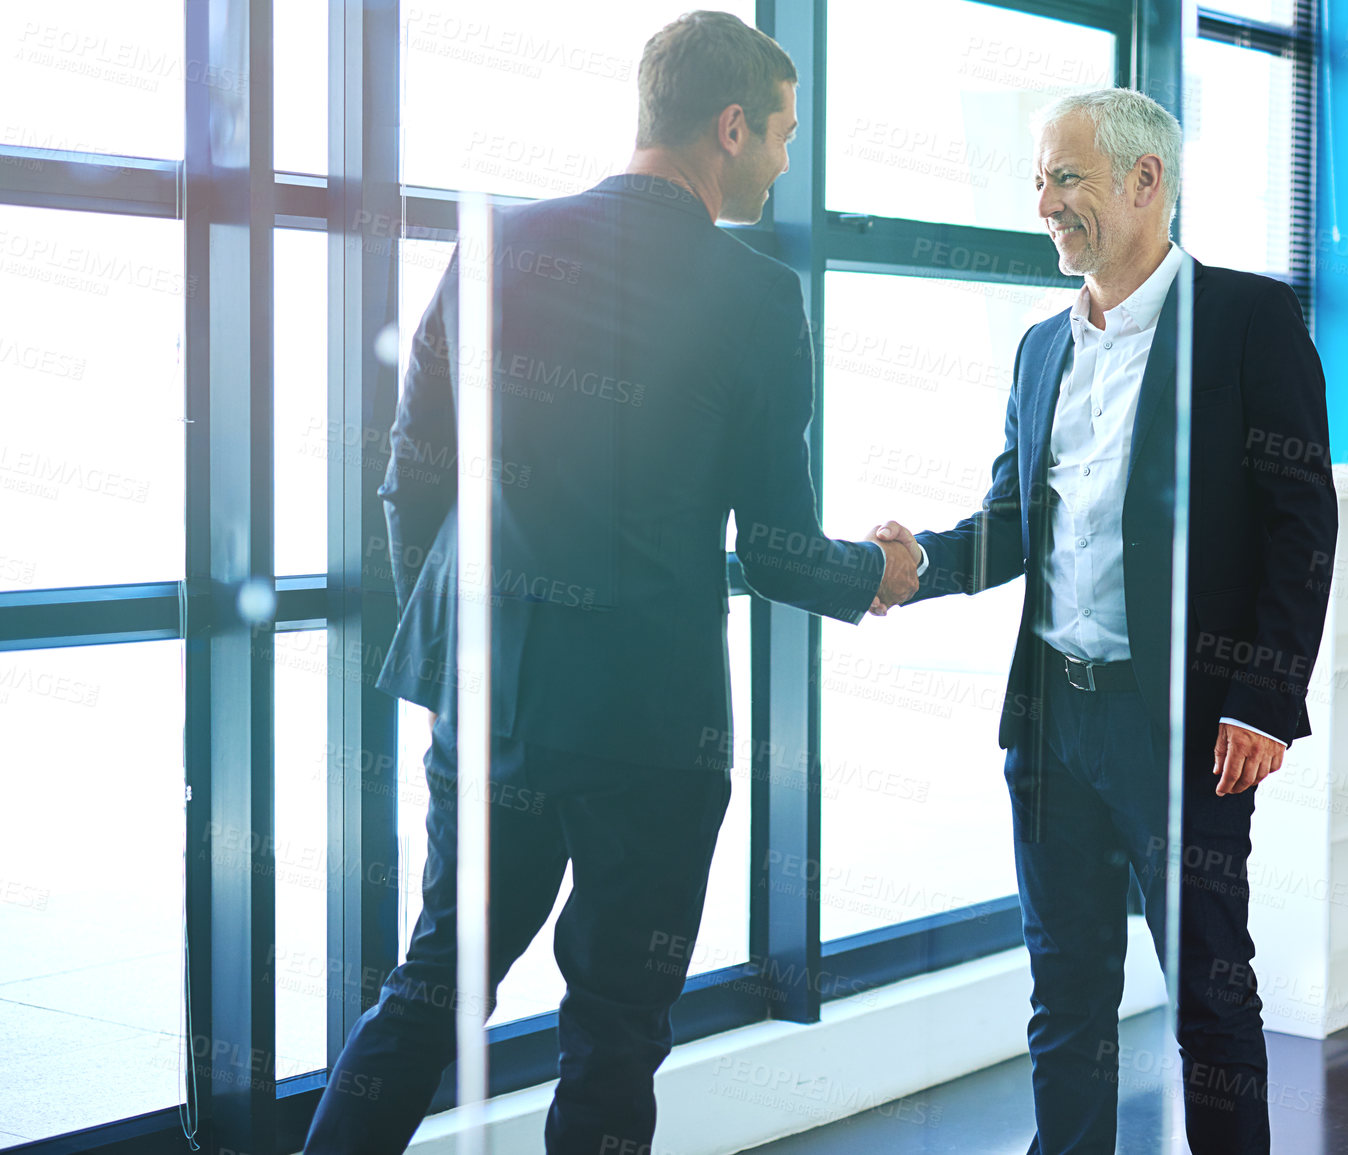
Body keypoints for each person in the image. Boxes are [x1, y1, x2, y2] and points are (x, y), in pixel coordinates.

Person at [302, 12, 920, 1153]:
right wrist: (880, 568)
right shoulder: (756, 297)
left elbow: (410, 477)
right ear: (730, 127)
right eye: (783, 135)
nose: (786, 161)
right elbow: (780, 551)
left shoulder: (499, 244)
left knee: (434, 988)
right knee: (618, 1027)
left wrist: (463, 648)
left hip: (496, 706)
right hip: (653, 731)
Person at [872, 88, 1337, 1154]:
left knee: (1211, 1000)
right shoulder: (1043, 348)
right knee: (1066, 995)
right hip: (1053, 726)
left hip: (1183, 726)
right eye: (1040, 178)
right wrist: (912, 567)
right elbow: (1010, 523)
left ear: (1145, 181)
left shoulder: (1246, 323)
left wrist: (1265, 700)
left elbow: (1302, 525)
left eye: (1066, 176)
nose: (1045, 202)